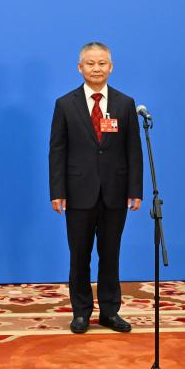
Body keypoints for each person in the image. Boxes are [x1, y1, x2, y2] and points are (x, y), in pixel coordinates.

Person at [49, 42, 142, 334]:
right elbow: (57, 151)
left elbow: (133, 150)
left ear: (111, 67)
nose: (96, 68)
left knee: (110, 254)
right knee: (79, 255)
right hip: (78, 193)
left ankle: (110, 312)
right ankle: (81, 312)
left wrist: (135, 189)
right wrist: (57, 191)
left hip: (115, 192)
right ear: (80, 68)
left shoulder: (125, 104)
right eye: (90, 63)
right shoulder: (65, 104)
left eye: (102, 63)